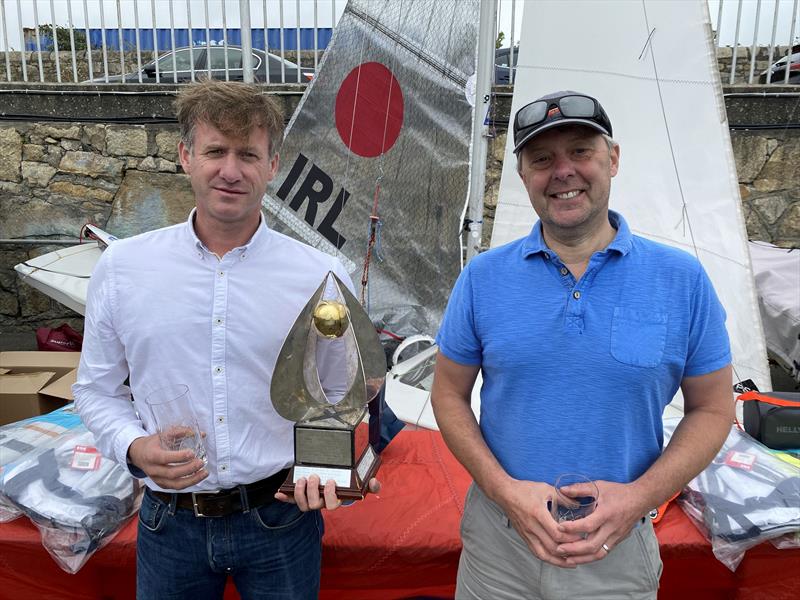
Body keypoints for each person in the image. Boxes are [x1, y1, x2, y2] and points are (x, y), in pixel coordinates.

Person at [73, 79, 377, 600]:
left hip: (280, 519)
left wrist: (330, 468)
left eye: (248, 155)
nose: (231, 170)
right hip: (169, 524)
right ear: (185, 156)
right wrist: (133, 446)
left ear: (273, 166)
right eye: (215, 151)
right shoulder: (123, 268)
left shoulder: (320, 275)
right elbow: (97, 390)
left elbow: (344, 396)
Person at [430, 90, 734, 599]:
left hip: (615, 550)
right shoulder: (482, 278)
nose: (563, 171)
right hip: (498, 548)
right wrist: (506, 493)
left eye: (581, 152)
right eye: (542, 159)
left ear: (612, 159)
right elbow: (447, 394)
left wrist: (639, 498)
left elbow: (713, 408)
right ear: (523, 175)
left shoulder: (681, 279)